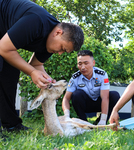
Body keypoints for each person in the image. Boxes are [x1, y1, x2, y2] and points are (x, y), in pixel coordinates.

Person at [0, 0, 84, 139]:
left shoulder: (50, 44)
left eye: (64, 52)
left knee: (11, 72)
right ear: (58, 32)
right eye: (62, 48)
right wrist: (32, 73)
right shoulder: (36, 21)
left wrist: (47, 80)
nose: (60, 53)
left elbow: (36, 65)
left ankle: (12, 125)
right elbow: (3, 48)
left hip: (3, 36)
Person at [62, 50, 120, 125]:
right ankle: (84, 122)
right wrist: (66, 115)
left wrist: (103, 119)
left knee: (115, 95)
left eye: (86, 63)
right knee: (76, 94)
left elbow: (105, 97)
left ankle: (100, 122)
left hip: (100, 103)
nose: (83, 67)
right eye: (80, 64)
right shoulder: (75, 78)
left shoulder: (102, 75)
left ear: (93, 63)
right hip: (86, 104)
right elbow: (66, 98)